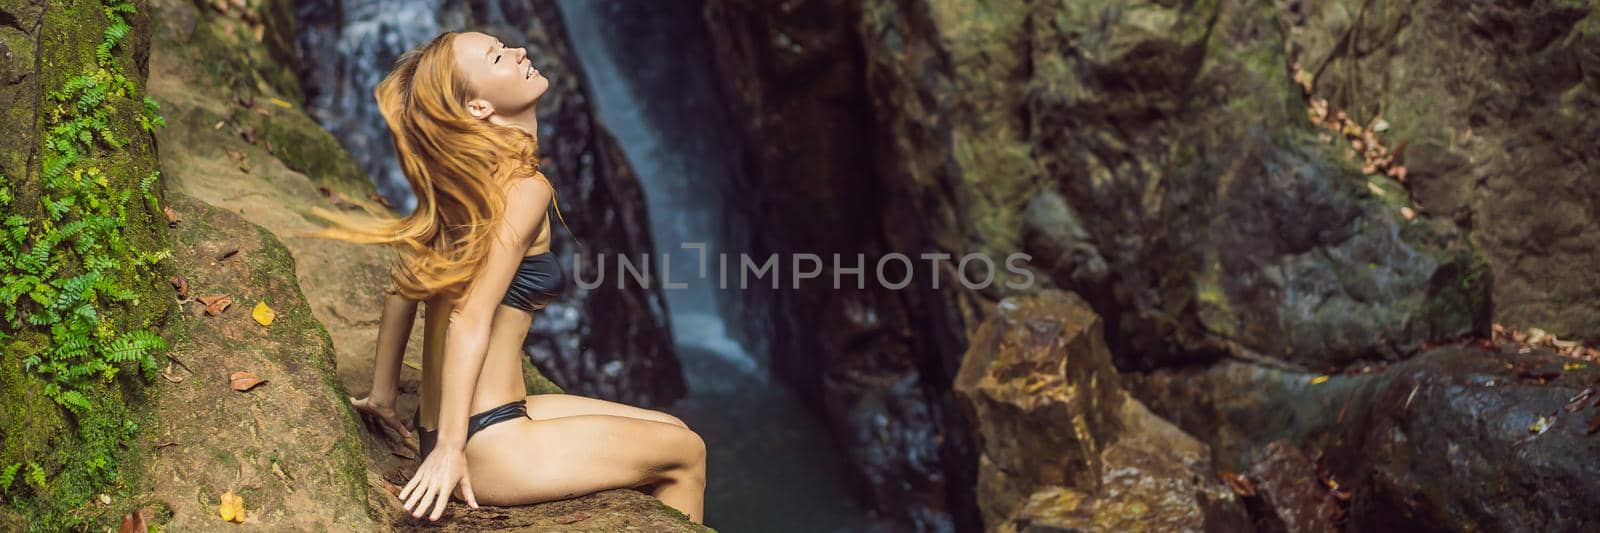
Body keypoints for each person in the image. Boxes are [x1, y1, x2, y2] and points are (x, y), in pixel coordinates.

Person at [302, 30, 706, 524]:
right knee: (687, 455)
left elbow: (403, 285)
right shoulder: (522, 187)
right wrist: (450, 452)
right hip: (486, 442)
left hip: (467, 421)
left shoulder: (463, 177)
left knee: (671, 427)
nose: (517, 51)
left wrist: (384, 395)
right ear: (477, 108)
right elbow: (469, 319)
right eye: (497, 57)